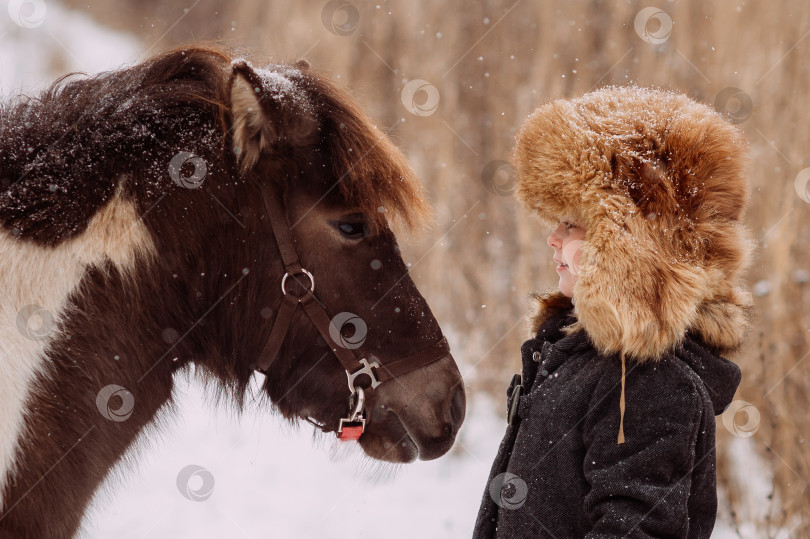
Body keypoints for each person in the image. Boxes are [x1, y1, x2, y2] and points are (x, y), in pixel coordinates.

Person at [473, 86, 755, 538]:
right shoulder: (577, 360)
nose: (553, 238)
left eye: (572, 223)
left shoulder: (646, 382)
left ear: (632, 244)